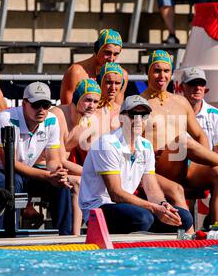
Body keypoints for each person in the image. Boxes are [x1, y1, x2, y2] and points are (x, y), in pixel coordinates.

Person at [140, 50, 218, 229]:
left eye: (166, 71)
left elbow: (200, 135)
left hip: (184, 169)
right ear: (147, 72)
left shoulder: (181, 102)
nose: (162, 76)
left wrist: (204, 163)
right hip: (156, 171)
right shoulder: (139, 103)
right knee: (183, 142)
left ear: (171, 74)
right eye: (156, 70)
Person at [78, 95, 193, 234]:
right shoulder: (107, 143)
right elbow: (115, 194)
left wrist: (163, 205)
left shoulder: (146, 145)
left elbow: (152, 189)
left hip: (127, 207)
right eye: (133, 114)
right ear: (121, 119)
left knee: (185, 218)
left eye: (143, 115)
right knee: (143, 218)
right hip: (98, 208)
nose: (138, 119)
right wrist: (153, 208)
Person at [0, 81, 73, 234]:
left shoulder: (51, 120)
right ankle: (5, 235)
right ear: (24, 103)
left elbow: (53, 160)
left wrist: (57, 174)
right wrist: (48, 175)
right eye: (36, 105)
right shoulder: (6, 119)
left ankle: (65, 237)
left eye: (45, 105)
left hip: (25, 170)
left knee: (61, 185)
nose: (41, 110)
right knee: (13, 181)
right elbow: (9, 164)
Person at [178, 66, 218, 228]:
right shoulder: (172, 111)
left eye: (200, 84)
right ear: (182, 88)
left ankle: (217, 228)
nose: (197, 88)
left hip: (202, 169)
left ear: (205, 89)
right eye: (192, 83)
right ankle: (184, 231)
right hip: (176, 168)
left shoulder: (215, 114)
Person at [59, 29, 128, 106]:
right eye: (107, 53)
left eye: (115, 54)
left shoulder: (121, 75)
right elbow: (67, 110)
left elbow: (116, 110)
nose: (111, 59)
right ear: (97, 49)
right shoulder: (76, 72)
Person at [52, 78, 102, 165]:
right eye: (88, 100)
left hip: (64, 170)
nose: (92, 106)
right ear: (76, 98)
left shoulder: (92, 123)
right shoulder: (58, 116)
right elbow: (59, 160)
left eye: (96, 102)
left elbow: (95, 160)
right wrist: (89, 174)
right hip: (42, 167)